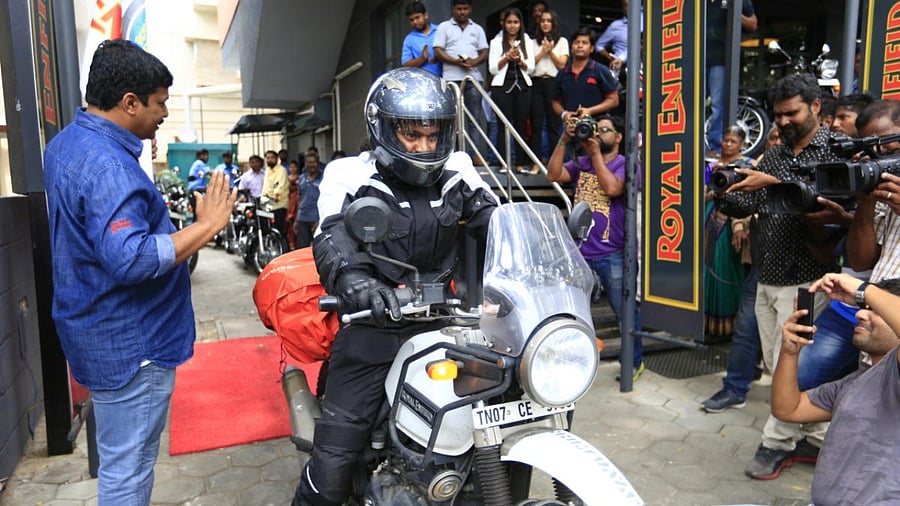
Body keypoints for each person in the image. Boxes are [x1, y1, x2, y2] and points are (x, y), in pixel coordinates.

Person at [292, 67, 499, 506]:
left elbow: (496, 222)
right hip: (376, 325)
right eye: (411, 135)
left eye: (433, 134)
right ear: (381, 128)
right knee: (333, 462)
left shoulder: (458, 168)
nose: (425, 146)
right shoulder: (349, 173)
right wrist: (359, 283)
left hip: (449, 326)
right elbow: (332, 237)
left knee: (496, 417)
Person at [42, 39, 235, 505]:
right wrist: (206, 227)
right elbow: (131, 258)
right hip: (134, 345)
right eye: (160, 102)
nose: (165, 113)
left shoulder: (67, 143)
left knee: (118, 461)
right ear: (130, 103)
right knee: (127, 472)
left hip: (97, 331)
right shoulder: (109, 165)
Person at [716, 73, 846, 480]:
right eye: (778, 115)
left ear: (816, 107)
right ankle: (818, 433)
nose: (784, 122)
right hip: (767, 275)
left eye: (792, 113)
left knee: (796, 365)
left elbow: (828, 206)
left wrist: (771, 182)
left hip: (808, 278)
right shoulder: (773, 155)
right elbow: (746, 205)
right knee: (778, 363)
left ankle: (778, 441)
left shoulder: (833, 153)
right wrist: (728, 188)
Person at [771, 274, 900, 504]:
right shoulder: (855, 381)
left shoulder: (893, 377)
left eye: (875, 311)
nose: (860, 313)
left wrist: (862, 289)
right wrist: (789, 352)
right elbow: (788, 409)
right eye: (863, 308)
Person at [546, 114, 644, 380]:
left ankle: (633, 363)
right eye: (595, 129)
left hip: (612, 253)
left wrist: (595, 154)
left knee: (623, 312)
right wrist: (564, 139)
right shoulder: (582, 163)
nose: (599, 133)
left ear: (619, 137)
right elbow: (553, 173)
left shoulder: (627, 163)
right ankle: (578, 363)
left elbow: (613, 188)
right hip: (580, 253)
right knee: (575, 314)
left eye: (605, 129)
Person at [703, 126, 755, 339]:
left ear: (742, 145)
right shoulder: (711, 164)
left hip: (734, 220)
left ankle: (729, 327)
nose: (728, 144)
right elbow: (703, 192)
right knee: (707, 265)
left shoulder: (748, 165)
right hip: (711, 215)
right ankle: (706, 325)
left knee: (727, 268)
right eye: (726, 140)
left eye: (733, 141)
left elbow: (750, 197)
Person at [433, 0, 489, 165]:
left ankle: (476, 156)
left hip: (472, 78)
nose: (462, 12)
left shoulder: (477, 28)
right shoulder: (444, 27)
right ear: (453, 9)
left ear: (470, 9)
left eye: (465, 9)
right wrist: (456, 62)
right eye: (459, 9)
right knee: (453, 119)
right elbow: (437, 51)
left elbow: (484, 52)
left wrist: (474, 61)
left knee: (474, 118)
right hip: (451, 78)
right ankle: (455, 156)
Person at [705, 0, 757, 158]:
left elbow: (753, 24)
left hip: (721, 59)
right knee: (692, 105)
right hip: (696, 59)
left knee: (717, 105)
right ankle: (692, 145)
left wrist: (734, 14)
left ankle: (715, 147)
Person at [488, 7, 534, 175]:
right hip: (502, 86)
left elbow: (531, 68)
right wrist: (507, 58)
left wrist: (520, 60)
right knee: (503, 125)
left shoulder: (527, 41)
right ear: (504, 24)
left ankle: (520, 164)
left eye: (515, 22)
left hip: (523, 85)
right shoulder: (495, 42)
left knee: (521, 125)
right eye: (509, 22)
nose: (512, 26)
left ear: (520, 23)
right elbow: (492, 69)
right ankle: (503, 163)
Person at [552, 26, 620, 129]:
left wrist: (590, 111)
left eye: (584, 43)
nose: (579, 46)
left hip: (596, 127)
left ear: (592, 48)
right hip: (569, 128)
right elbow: (555, 101)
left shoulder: (601, 70)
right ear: (571, 47)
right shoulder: (562, 73)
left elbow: (614, 100)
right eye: (576, 42)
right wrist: (564, 114)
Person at [529, 9, 568, 166]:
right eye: (543, 20)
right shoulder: (532, 42)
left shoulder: (562, 41)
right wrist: (542, 51)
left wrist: (550, 51)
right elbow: (529, 66)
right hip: (536, 82)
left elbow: (562, 65)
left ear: (554, 23)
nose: (545, 23)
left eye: (549, 21)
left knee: (553, 124)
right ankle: (536, 162)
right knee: (536, 124)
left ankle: (554, 162)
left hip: (554, 82)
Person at [401, 1, 441, 76]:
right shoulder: (409, 39)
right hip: (424, 83)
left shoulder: (440, 30)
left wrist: (440, 56)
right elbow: (405, 65)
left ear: (425, 15)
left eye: (417, 17)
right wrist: (422, 58)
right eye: (411, 20)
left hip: (446, 80)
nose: (415, 22)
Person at [594, 0, 632, 78]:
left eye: (632, 5)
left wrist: (622, 58)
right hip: (619, 68)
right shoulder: (615, 26)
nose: (630, 8)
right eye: (626, 5)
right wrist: (611, 58)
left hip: (643, 65)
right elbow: (599, 45)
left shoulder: (646, 21)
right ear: (622, 8)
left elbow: (639, 44)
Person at [295, 153, 323, 250]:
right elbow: (299, 198)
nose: (311, 165)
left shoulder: (323, 178)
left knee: (319, 248)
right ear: (305, 164)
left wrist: (321, 219)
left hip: (316, 218)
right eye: (309, 162)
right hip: (302, 217)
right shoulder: (301, 178)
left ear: (318, 163)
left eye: (314, 162)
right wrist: (296, 220)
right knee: (302, 248)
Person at [262, 149, 289, 237]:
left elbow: (279, 186)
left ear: (277, 158)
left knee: (278, 231)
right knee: (267, 229)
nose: (270, 160)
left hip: (279, 205)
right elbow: (265, 187)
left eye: (272, 157)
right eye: (268, 158)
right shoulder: (267, 170)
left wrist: (275, 196)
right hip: (267, 206)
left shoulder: (281, 170)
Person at [286, 160, 301, 250]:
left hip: (297, 200)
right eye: (291, 167)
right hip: (290, 200)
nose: (292, 169)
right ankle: (291, 245)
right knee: (289, 224)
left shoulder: (300, 178)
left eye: (294, 167)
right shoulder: (287, 178)